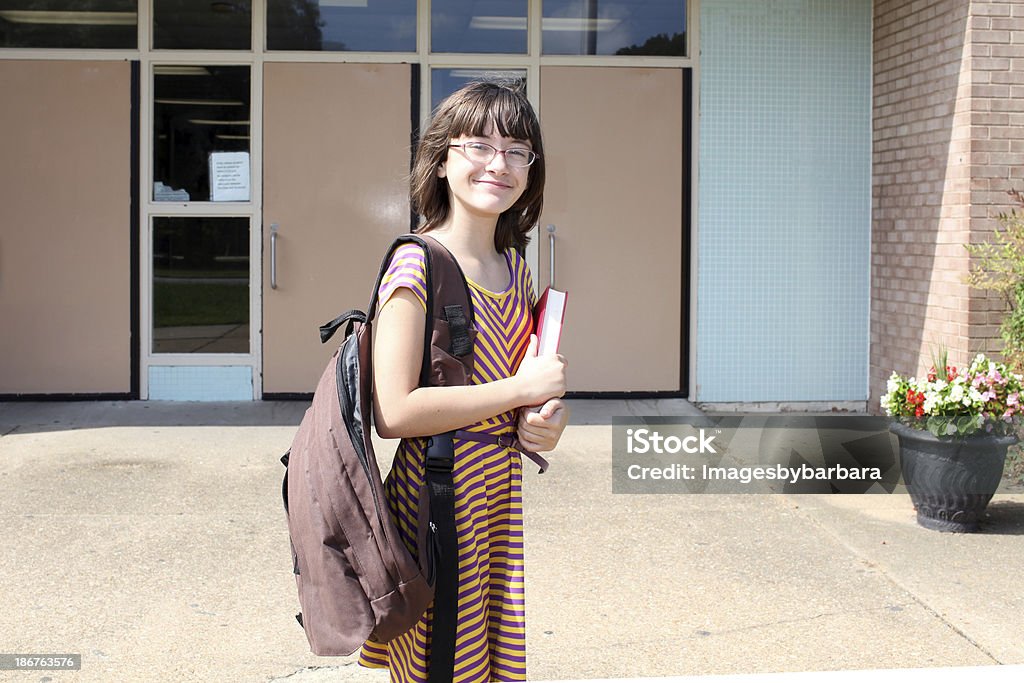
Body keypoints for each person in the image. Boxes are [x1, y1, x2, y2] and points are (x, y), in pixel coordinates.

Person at [357, 81, 570, 682]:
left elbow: (531, 399)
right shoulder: (416, 264)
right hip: (436, 500)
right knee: (438, 666)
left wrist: (546, 422)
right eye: (479, 144)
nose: (498, 163)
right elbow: (393, 411)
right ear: (443, 159)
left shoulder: (517, 271)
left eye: (517, 149)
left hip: (495, 498)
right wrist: (520, 393)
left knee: (484, 666)